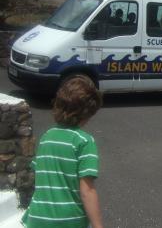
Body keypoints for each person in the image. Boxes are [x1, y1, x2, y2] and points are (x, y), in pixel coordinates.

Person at [22, 76, 104, 228]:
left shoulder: (47, 136)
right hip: (68, 220)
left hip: (37, 217)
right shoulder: (84, 141)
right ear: (88, 113)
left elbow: (39, 176)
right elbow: (87, 190)